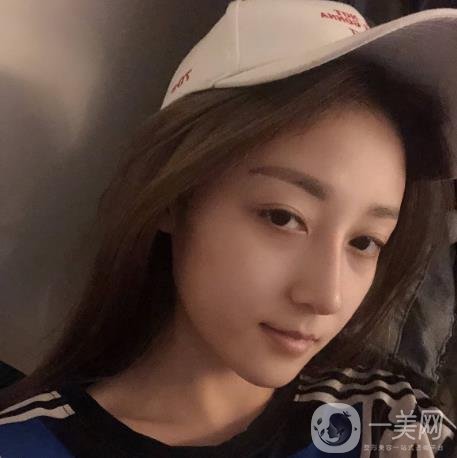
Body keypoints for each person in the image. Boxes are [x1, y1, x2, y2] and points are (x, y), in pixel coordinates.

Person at [0, 0, 456, 456]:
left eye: (364, 242)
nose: (327, 297)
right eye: (283, 217)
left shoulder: (394, 425)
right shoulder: (23, 444)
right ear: (175, 197)